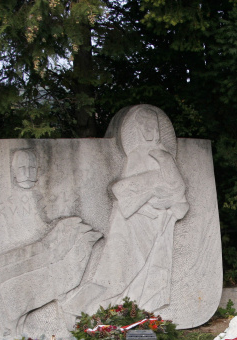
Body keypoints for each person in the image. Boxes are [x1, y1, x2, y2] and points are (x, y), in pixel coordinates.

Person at [63, 106, 189, 318]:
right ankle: (83, 309)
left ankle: (125, 311)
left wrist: (166, 200)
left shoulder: (164, 157)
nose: (149, 130)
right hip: (128, 224)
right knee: (116, 271)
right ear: (138, 129)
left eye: (152, 126)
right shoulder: (134, 157)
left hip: (155, 225)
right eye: (144, 126)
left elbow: (178, 190)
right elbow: (125, 193)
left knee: (141, 271)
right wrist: (149, 193)